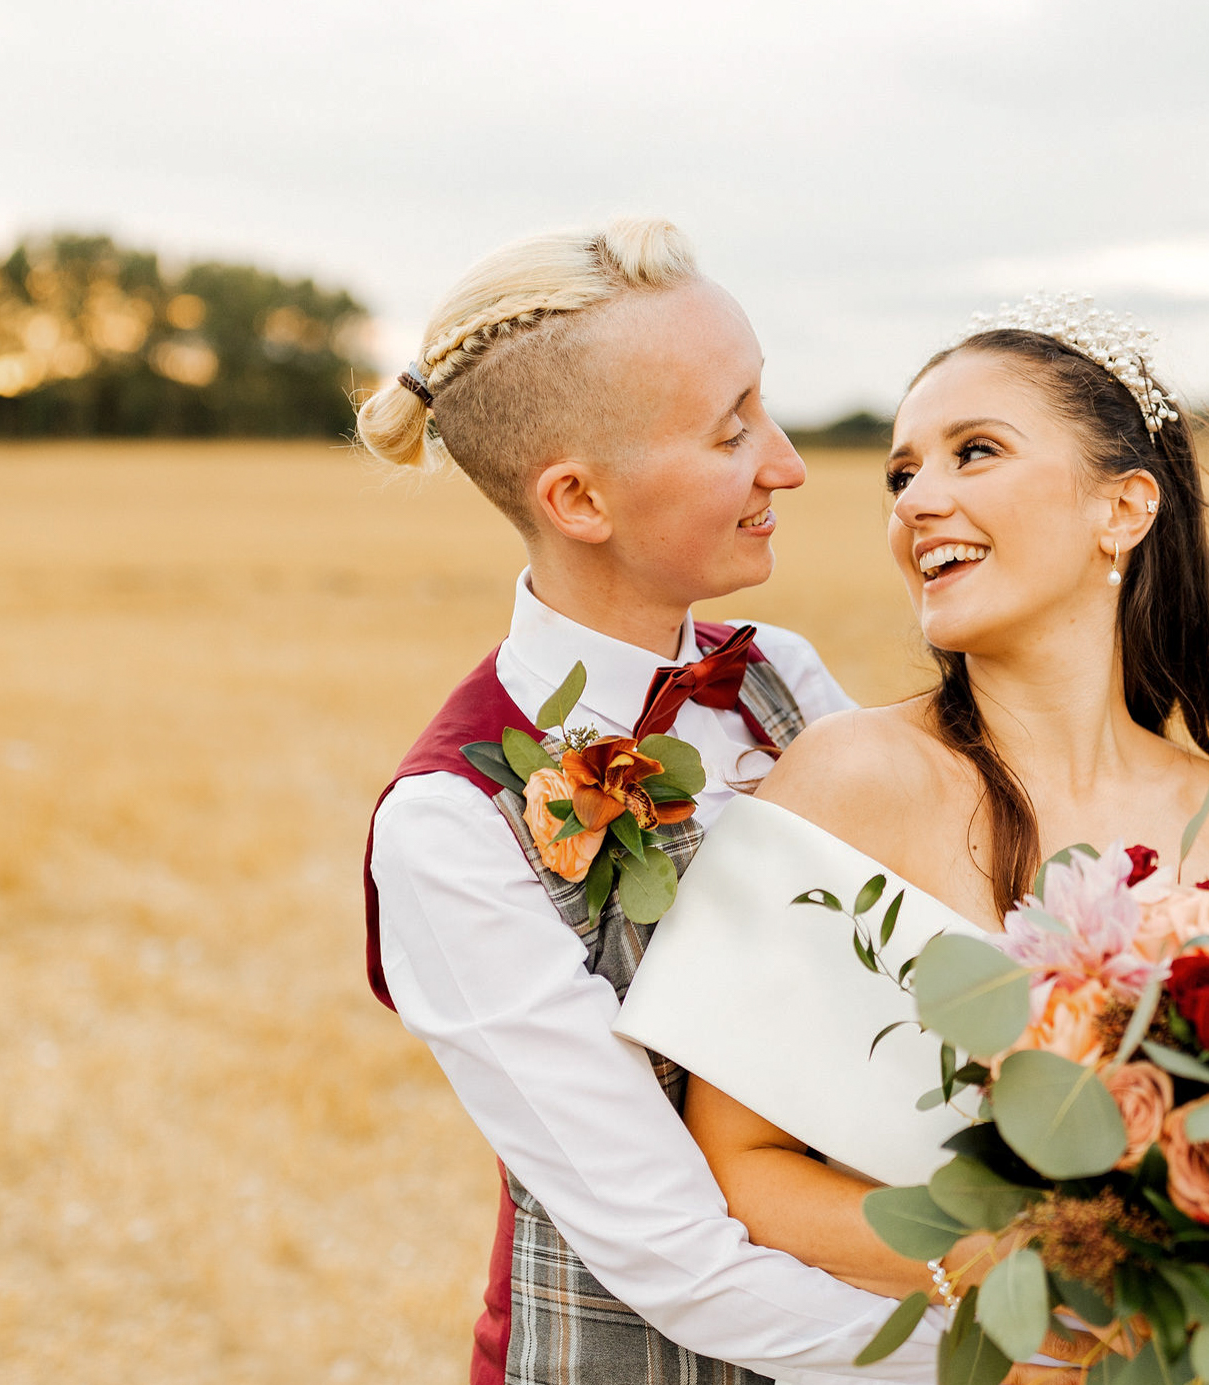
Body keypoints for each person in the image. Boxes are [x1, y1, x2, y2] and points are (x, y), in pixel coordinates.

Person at [357, 217, 947, 1385]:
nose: (787, 463)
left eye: (765, 406)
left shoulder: (781, 675)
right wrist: (1007, 1352)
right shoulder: (448, 826)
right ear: (578, 497)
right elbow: (672, 1251)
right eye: (732, 430)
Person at [653, 293, 1209, 1317]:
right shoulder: (853, 776)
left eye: (975, 452)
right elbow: (736, 1165)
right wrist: (1018, 1267)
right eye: (901, 474)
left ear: (1124, 508)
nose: (916, 501)